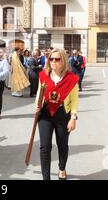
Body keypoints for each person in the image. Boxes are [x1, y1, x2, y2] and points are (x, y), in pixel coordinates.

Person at [36, 48, 79, 180]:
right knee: (44, 146)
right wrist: (37, 105)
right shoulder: (43, 75)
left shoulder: (71, 79)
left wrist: (73, 118)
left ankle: (61, 168)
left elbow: (74, 100)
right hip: (45, 114)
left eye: (57, 59)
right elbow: (39, 92)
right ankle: (46, 177)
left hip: (62, 114)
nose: (54, 61)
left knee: (62, 144)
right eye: (51, 59)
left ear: (63, 61)